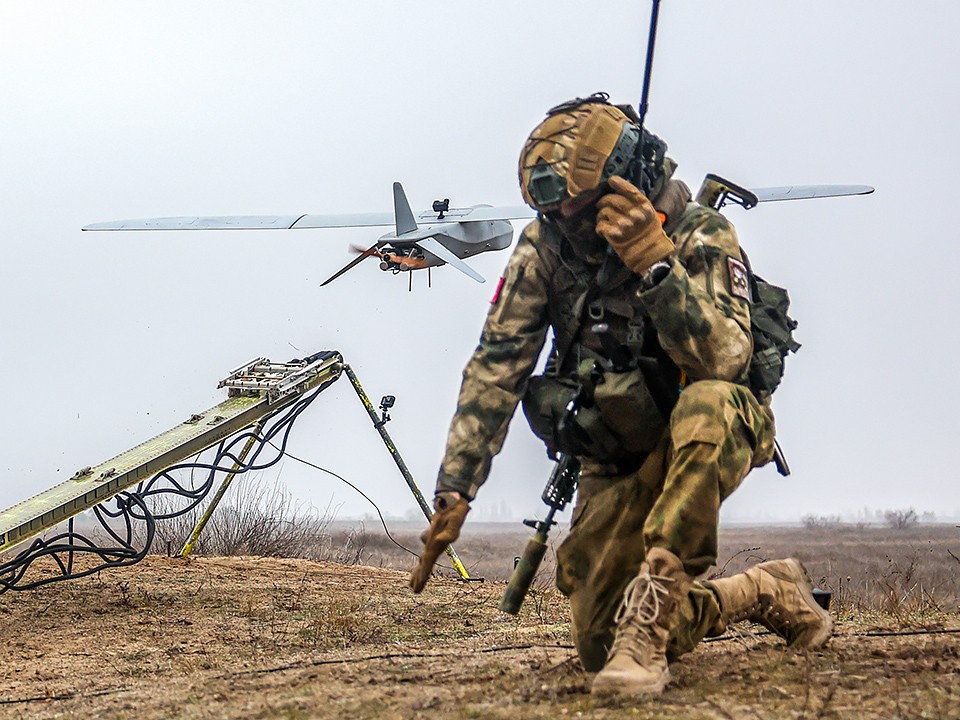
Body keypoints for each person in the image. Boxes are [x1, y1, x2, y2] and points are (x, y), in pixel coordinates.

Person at [409, 94, 832, 696]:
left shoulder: (700, 233)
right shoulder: (546, 246)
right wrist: (457, 484)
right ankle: (764, 590)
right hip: (617, 448)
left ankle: (652, 623)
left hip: (711, 426)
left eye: (574, 209)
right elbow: (499, 360)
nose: (565, 224)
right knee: (598, 643)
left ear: (621, 181)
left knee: (708, 404)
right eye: (551, 212)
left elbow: (727, 359)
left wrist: (655, 266)